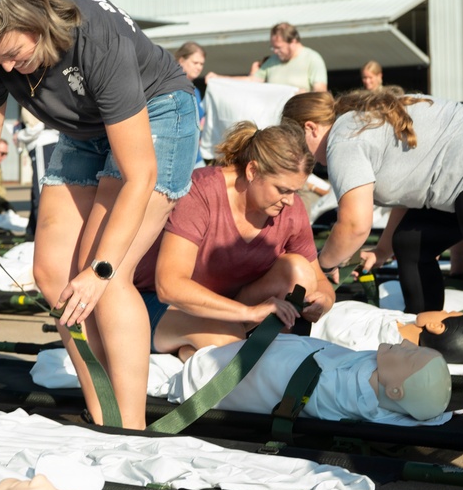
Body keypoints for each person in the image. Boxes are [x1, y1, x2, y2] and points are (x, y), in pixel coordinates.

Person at [0, 0, 198, 430]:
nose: (6, 68)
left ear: (35, 19)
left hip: (157, 113)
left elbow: (139, 175)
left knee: (106, 275)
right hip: (84, 128)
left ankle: (130, 429)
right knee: (55, 274)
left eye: (13, 54)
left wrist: (100, 270)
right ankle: (103, 414)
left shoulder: (96, 40)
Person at [281, 87, 463, 313]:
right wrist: (381, 251)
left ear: (310, 128)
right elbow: (407, 196)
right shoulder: (360, 119)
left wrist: (321, 267)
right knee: (410, 244)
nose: (305, 160)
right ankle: (423, 326)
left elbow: (354, 226)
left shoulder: (342, 139)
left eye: (300, 148)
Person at [141, 121, 335, 360]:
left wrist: (323, 301)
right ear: (252, 171)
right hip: (159, 304)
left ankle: (201, 349)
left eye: (295, 191)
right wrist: (249, 312)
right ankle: (208, 347)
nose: (291, 201)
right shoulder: (201, 191)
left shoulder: (289, 209)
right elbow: (169, 286)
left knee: (299, 271)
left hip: (230, 308)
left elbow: (319, 280)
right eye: (283, 190)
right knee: (229, 341)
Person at [172, 336, 451, 424]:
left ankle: (186, 354)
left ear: (395, 391)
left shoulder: (334, 384)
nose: (405, 342)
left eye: (410, 355)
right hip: (244, 354)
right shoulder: (368, 375)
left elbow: (269, 369)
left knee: (193, 345)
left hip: (213, 371)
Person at [310, 300, 463, 365]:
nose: (442, 310)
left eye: (446, 313)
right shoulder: (409, 321)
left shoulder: (368, 344)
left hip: (308, 320)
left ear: (435, 326)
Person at [206, 22, 327, 93]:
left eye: (278, 47)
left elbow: (321, 93)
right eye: (272, 47)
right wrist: (218, 78)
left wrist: (304, 96)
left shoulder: (312, 59)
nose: (275, 51)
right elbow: (251, 81)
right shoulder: (272, 61)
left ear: (293, 42)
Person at [14, 107, 59, 240]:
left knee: (43, 193)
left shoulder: (29, 101)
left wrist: (19, 135)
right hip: (48, 144)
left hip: (42, 145)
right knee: (38, 190)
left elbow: (35, 128)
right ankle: (32, 231)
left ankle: (44, 236)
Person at [174, 42, 206, 167]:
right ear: (181, 60)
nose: (199, 67)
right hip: (178, 157)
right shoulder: (172, 87)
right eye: (195, 63)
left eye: (201, 64)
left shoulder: (196, 91)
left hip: (195, 156)